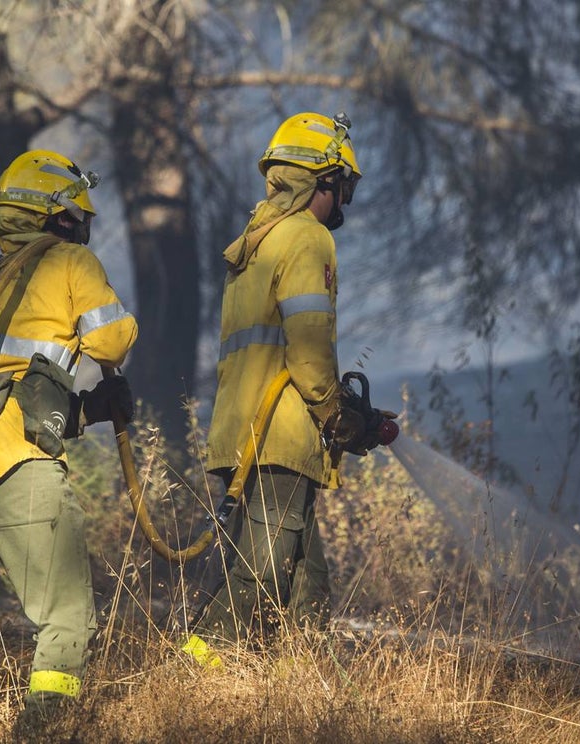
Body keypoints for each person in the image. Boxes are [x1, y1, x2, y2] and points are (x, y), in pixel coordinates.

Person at [0, 149, 138, 738]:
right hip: (18, 468)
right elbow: (111, 343)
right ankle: (41, 730)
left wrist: (91, 410)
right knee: (66, 615)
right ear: (62, 218)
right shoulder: (69, 260)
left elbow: (3, 391)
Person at [184, 112, 394, 662]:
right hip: (279, 434)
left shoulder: (254, 243)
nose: (343, 203)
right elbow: (307, 346)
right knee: (259, 578)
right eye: (341, 188)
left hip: (241, 431)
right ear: (322, 181)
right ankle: (191, 677)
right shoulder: (307, 237)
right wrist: (337, 412)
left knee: (307, 582)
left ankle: (306, 688)